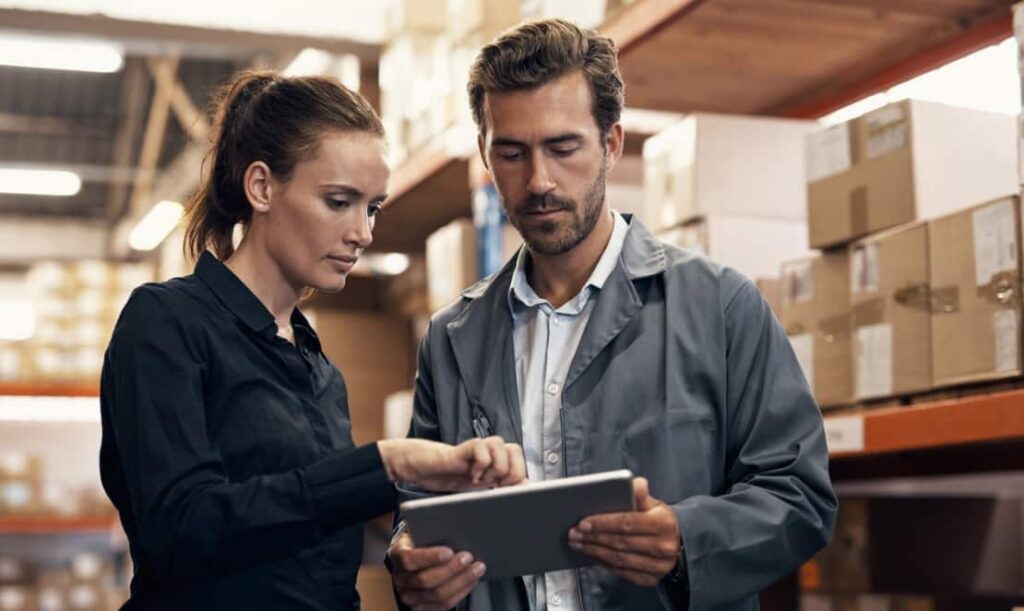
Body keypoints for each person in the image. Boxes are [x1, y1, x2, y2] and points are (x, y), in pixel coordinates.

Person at [387, 19, 837, 611]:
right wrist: (410, 560)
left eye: (563, 148)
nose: (539, 181)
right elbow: (420, 507)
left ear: (612, 143)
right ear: (485, 156)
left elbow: (800, 497)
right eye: (512, 153)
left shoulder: (721, 306)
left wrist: (687, 540)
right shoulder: (451, 339)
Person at [98, 71, 525, 611]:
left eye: (372, 208)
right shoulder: (166, 324)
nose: (362, 233)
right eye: (339, 201)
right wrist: (386, 465)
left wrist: (434, 528)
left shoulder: (318, 366)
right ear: (262, 187)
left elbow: (314, 552)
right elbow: (183, 529)